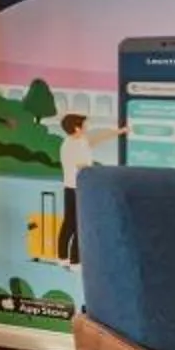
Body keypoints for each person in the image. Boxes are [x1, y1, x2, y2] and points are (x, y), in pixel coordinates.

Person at [55, 109, 125, 265]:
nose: (87, 128)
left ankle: (66, 258)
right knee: (75, 224)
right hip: (74, 188)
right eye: (84, 125)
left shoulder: (80, 141)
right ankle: (70, 259)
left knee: (73, 223)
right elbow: (83, 168)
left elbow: (98, 138)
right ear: (76, 128)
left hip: (77, 188)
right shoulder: (69, 146)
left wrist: (119, 132)